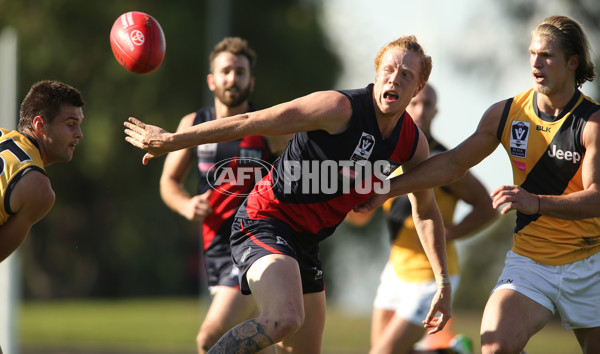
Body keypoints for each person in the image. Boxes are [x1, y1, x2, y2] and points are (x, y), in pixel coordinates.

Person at [125, 35, 452, 353]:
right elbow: (250, 120)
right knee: (283, 319)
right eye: (389, 70)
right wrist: (171, 140)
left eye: (406, 75)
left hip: (306, 243)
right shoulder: (339, 107)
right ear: (377, 73)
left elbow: (425, 210)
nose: (394, 79)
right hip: (264, 220)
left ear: (418, 88)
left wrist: (443, 283)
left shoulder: (412, 143)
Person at [355, 16, 600, 354]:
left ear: (573, 62)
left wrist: (537, 202)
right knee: (494, 348)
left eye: (547, 56)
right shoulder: (507, 113)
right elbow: (452, 164)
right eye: (532, 54)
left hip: (591, 263)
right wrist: (387, 188)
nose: (536, 63)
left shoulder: (591, 123)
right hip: (531, 265)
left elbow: (597, 199)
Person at [159, 37, 288, 353]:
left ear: (251, 81)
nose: (233, 78)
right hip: (215, 247)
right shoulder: (193, 124)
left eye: (240, 72)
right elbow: (169, 182)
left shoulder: (269, 127)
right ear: (211, 79)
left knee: (209, 339)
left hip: (254, 243)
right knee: (253, 344)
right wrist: (186, 204)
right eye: (226, 71)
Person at [363, 84, 497, 354]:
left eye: (428, 104)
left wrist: (451, 234)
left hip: (430, 276)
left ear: (436, 111)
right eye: (415, 103)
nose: (421, 110)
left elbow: (487, 206)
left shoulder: (443, 161)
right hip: (395, 269)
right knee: (381, 348)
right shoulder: (386, 155)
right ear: (403, 105)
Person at [0, 80, 85, 263]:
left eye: (79, 124)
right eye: (71, 123)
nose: (79, 133)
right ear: (39, 125)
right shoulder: (38, 187)